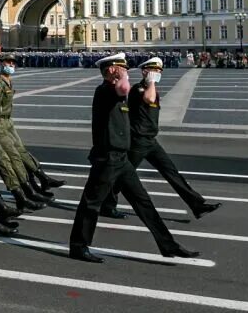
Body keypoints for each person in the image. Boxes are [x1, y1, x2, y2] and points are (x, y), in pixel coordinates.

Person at [68, 52, 199, 263]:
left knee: (143, 202)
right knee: (91, 204)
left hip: (121, 160)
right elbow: (123, 87)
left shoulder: (116, 91)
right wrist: (122, 77)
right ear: (111, 70)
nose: (127, 71)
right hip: (107, 158)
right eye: (123, 68)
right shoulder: (105, 90)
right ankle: (78, 246)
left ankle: (168, 245)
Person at [99, 57, 222, 220]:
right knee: (124, 176)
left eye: (158, 72)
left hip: (150, 141)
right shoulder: (138, 89)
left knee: (171, 172)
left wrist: (152, 84)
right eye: (154, 71)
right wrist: (151, 82)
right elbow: (149, 99)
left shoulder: (151, 88)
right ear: (145, 72)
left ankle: (197, 205)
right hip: (138, 141)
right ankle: (107, 205)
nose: (157, 74)